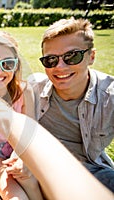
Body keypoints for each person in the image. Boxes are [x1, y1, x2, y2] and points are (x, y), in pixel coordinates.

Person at [30, 17, 114, 192]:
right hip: (39, 169)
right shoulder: (33, 89)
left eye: (72, 56)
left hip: (90, 171)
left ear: (91, 56)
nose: (60, 67)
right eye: (50, 60)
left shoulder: (110, 97)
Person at [0, 30, 43, 199]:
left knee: (32, 181)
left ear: (16, 65)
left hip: (21, 147)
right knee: (13, 193)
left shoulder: (24, 90)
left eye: (7, 64)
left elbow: (30, 130)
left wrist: (21, 155)